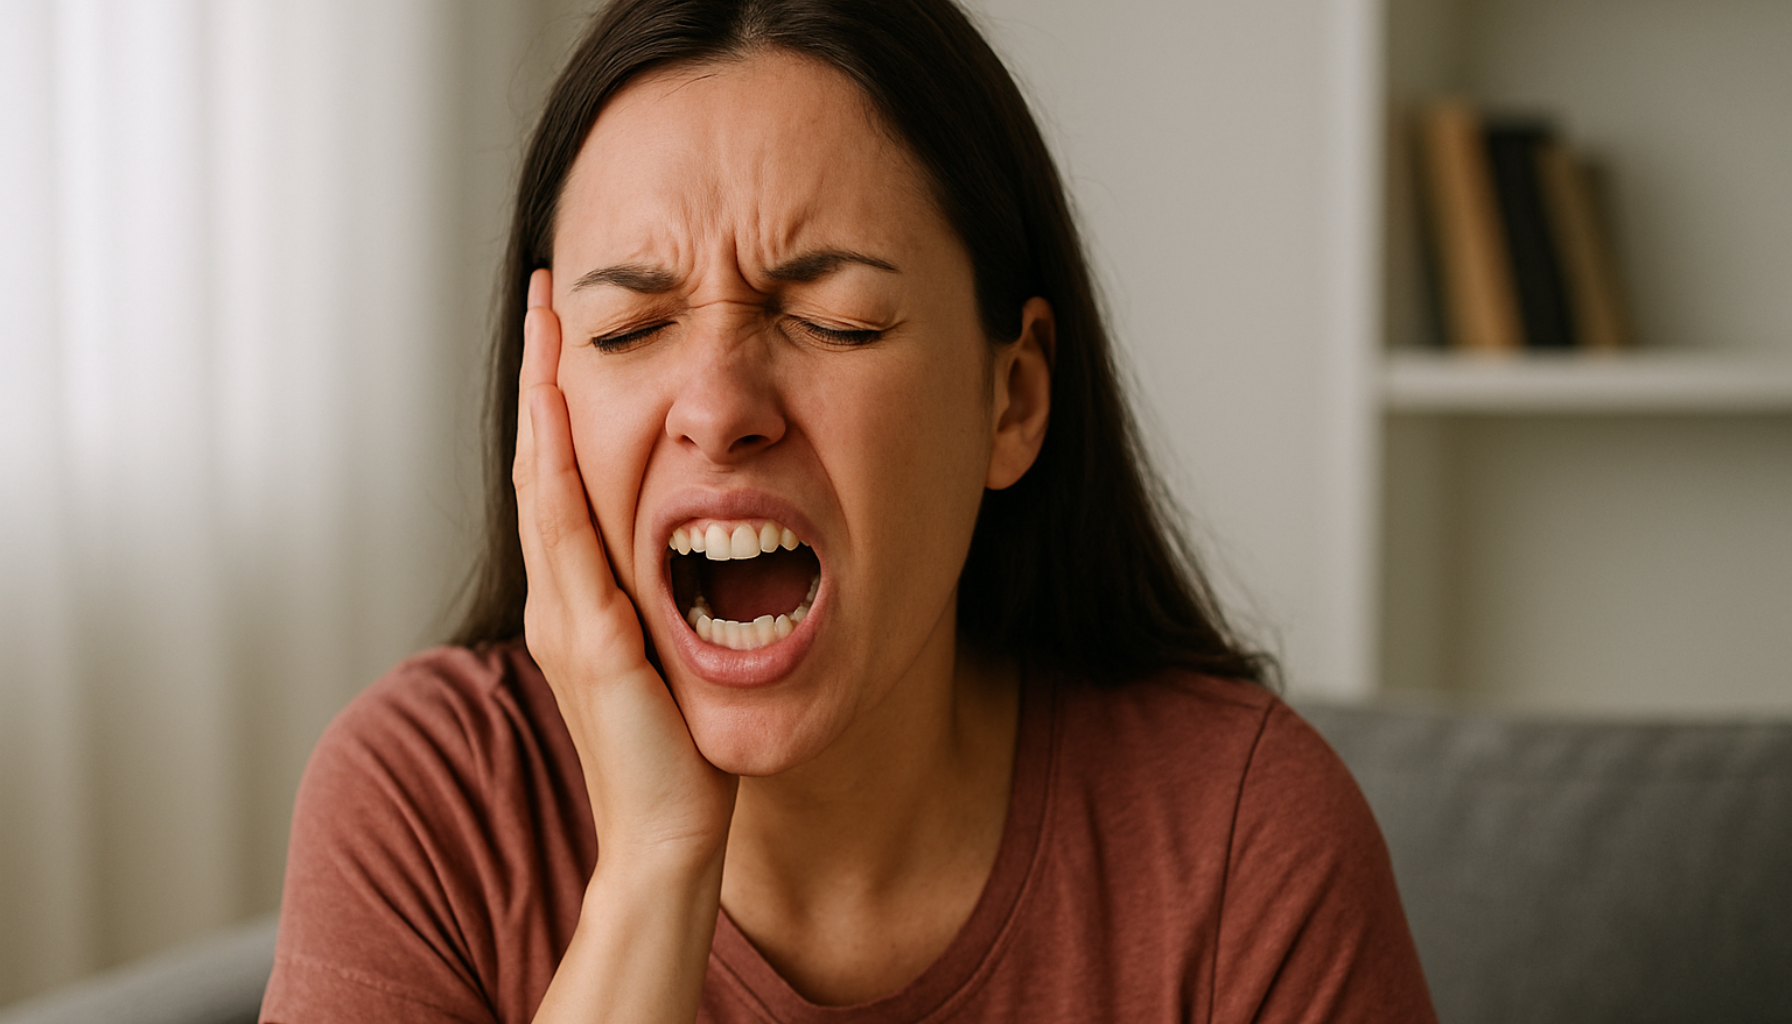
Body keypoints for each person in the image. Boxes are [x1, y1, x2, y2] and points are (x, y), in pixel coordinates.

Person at [261, 0, 1437, 1021]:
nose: (718, 409)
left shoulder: (1245, 841)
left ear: (1012, 399)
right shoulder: (428, 800)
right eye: (628, 330)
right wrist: (654, 874)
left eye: (837, 321)